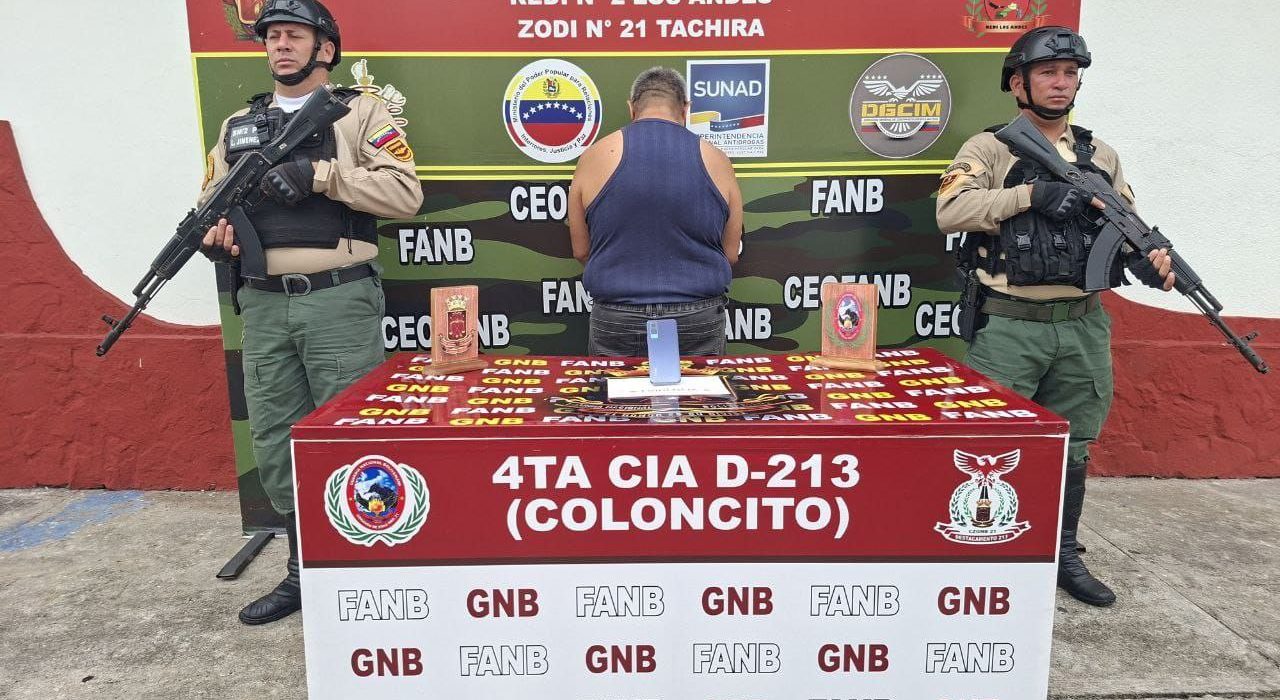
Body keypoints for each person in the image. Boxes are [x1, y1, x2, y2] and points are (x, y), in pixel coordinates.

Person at [198, 0, 423, 625]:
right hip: (264, 305)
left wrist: (322, 175)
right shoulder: (237, 126)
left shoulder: (360, 112)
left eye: (294, 35)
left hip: (337, 300)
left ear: (325, 49)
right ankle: (304, 573)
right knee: (277, 441)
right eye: (272, 36)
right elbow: (211, 200)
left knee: (353, 438)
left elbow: (405, 192)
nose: (280, 45)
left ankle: (367, 571)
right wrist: (217, 235)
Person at [935, 26, 1175, 607]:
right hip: (1010, 325)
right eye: (1047, 73)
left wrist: (1146, 263)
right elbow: (951, 210)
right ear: (1019, 83)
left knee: (1074, 445)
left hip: (1082, 323)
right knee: (991, 444)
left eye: (1070, 74)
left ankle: (1062, 552)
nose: (1061, 84)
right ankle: (981, 555)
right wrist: (1030, 196)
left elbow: (1124, 228)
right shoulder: (990, 149)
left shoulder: (1100, 156)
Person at [567, 66, 744, 357]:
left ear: (631, 108)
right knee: (700, 390)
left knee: (615, 391)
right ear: (685, 109)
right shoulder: (717, 159)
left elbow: (581, 250)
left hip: (617, 317)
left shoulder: (593, 156)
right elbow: (731, 253)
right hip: (697, 318)